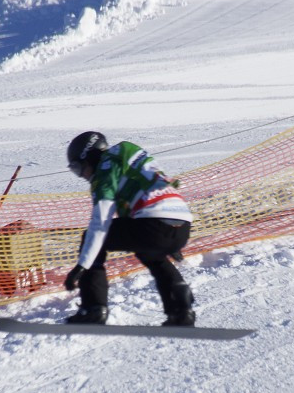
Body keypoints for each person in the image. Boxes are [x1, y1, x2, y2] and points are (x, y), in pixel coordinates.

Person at [63, 131, 196, 326]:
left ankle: (93, 308)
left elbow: (100, 224)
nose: (82, 175)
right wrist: (170, 242)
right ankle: (181, 310)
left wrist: (82, 265)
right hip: (181, 224)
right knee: (150, 253)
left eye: (77, 168)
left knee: (91, 239)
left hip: (153, 223)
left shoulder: (105, 172)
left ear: (89, 157)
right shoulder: (128, 154)